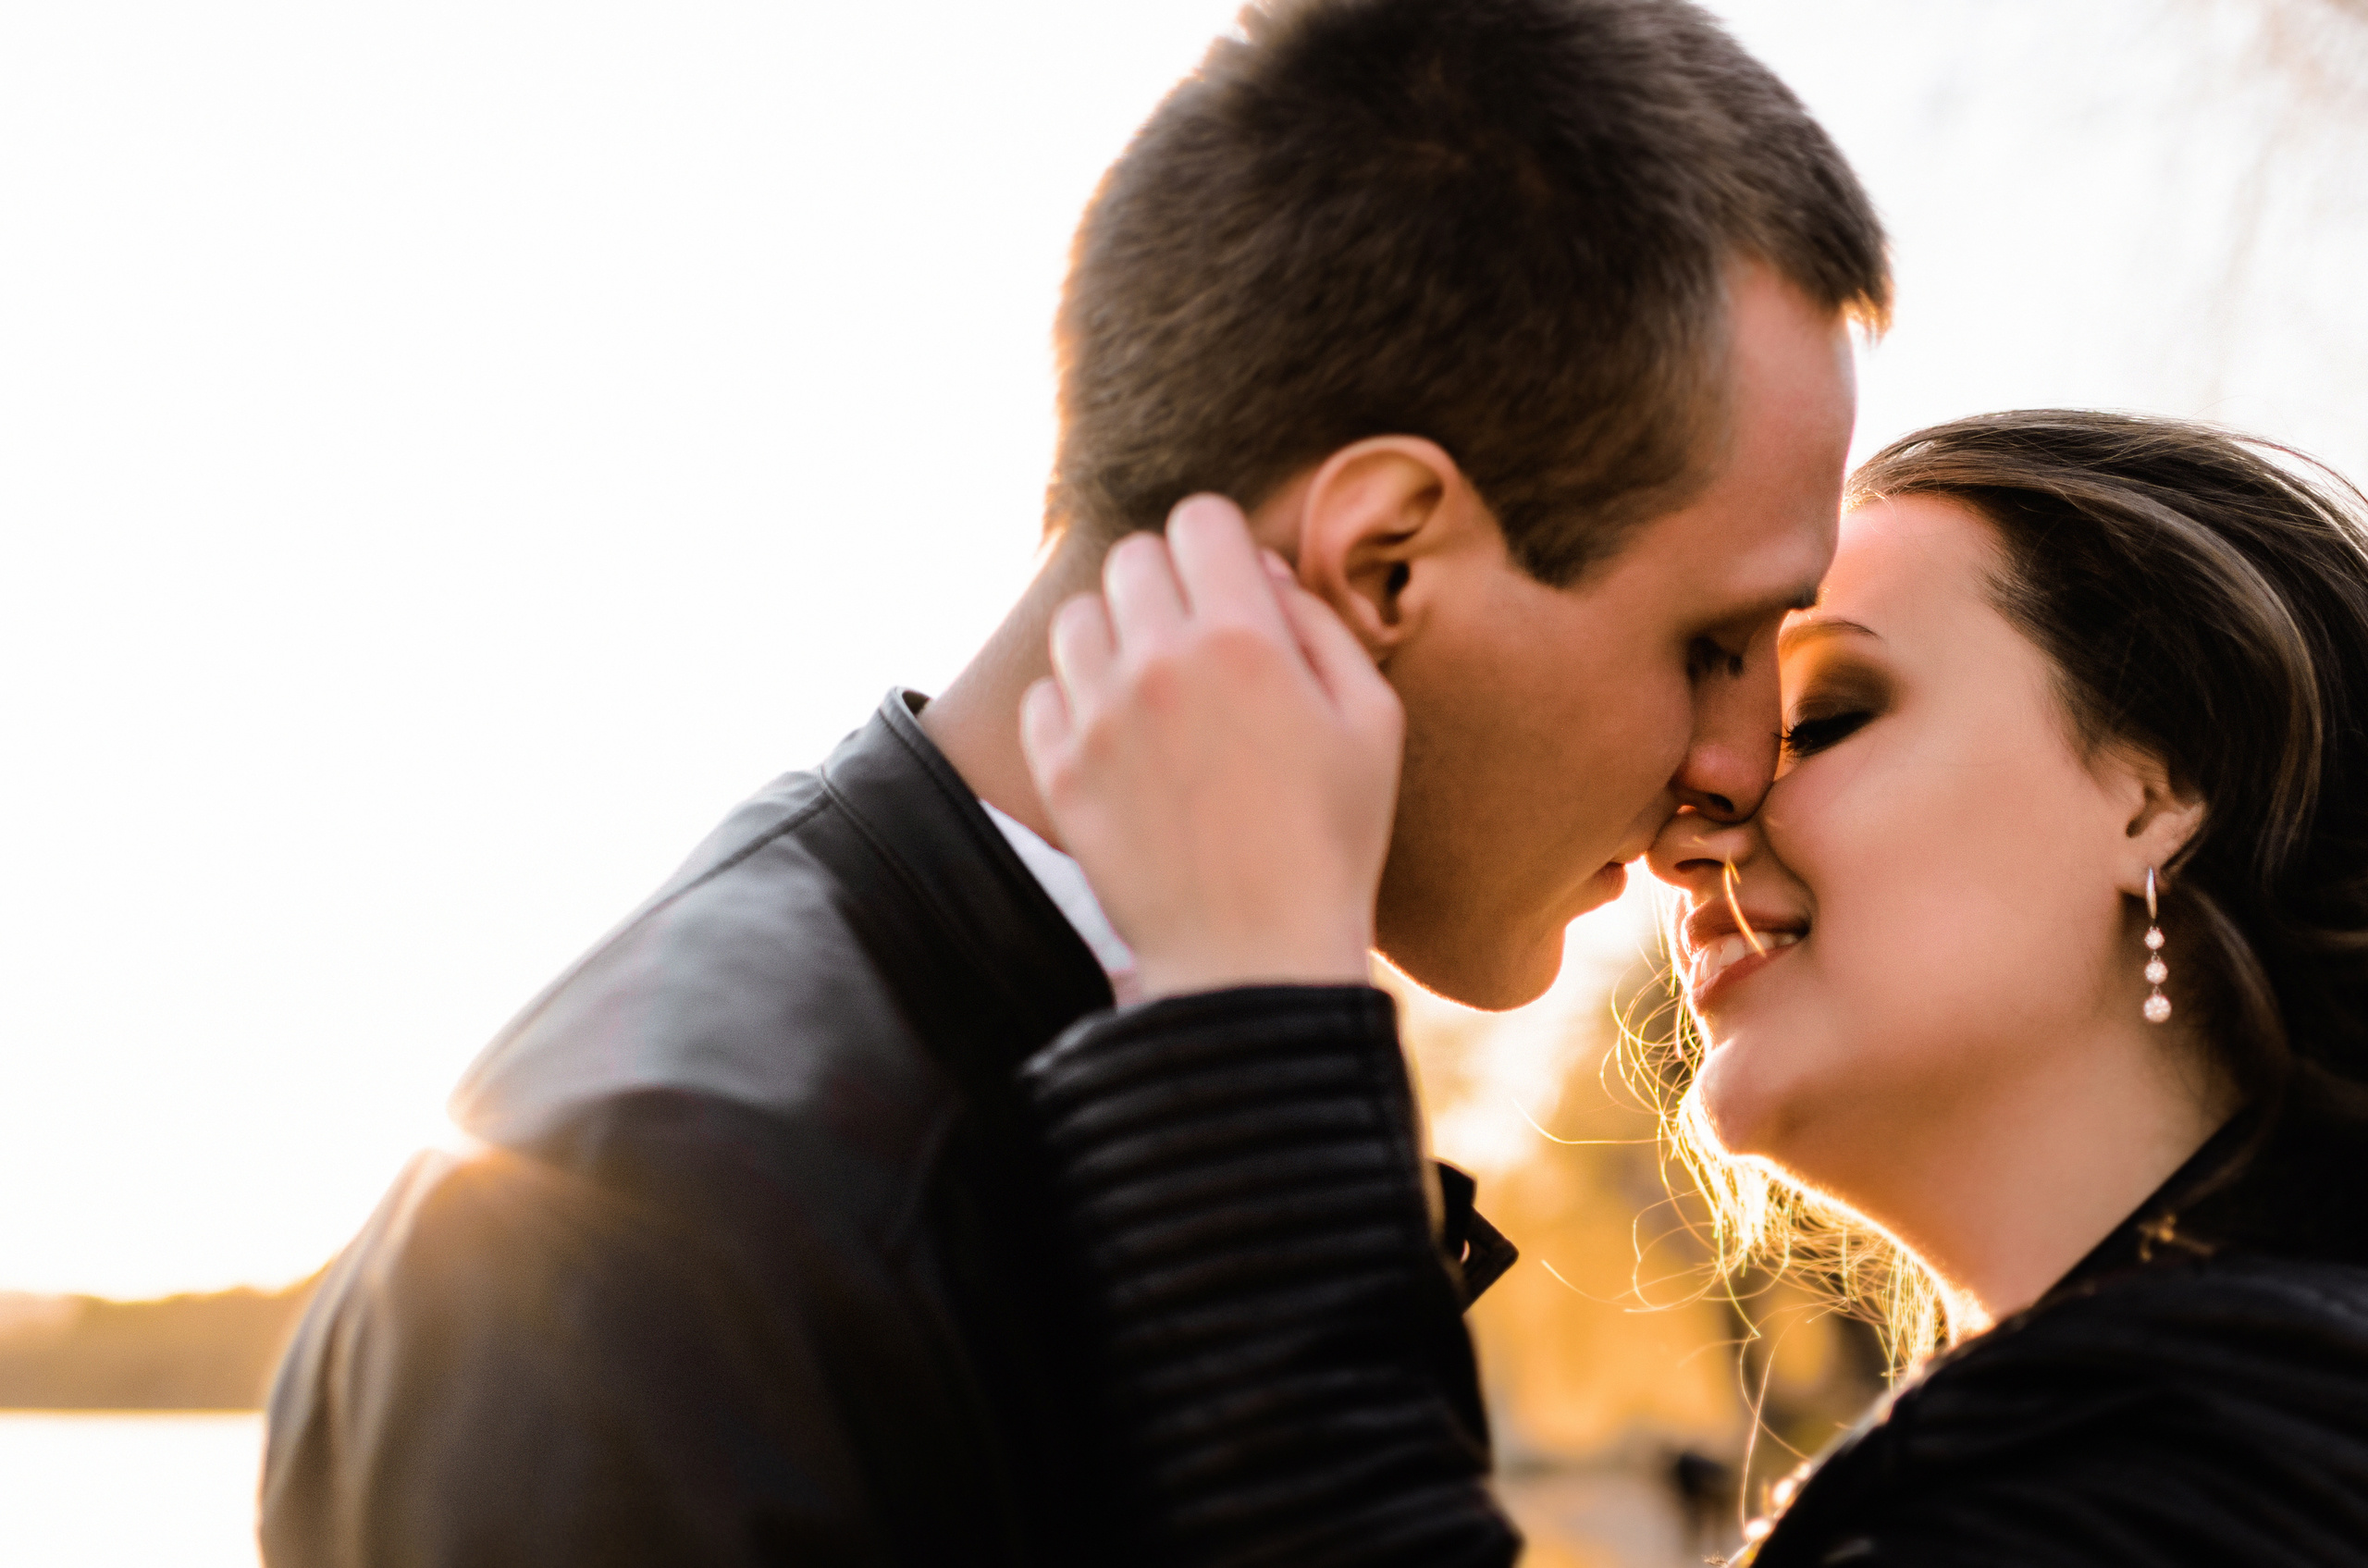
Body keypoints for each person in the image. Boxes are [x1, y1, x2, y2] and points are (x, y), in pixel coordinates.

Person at [257, 2, 1889, 1563]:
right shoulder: (644, 1245)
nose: (1736, 775)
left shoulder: (1128, 1071)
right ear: (1385, 563)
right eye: (1710, 643)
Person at [1018, 410, 2368, 1565]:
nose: (1687, 830)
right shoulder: (2184, 1425)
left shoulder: (2234, 1449)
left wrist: (1248, 1032)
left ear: (2158, 794)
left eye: (1827, 718)